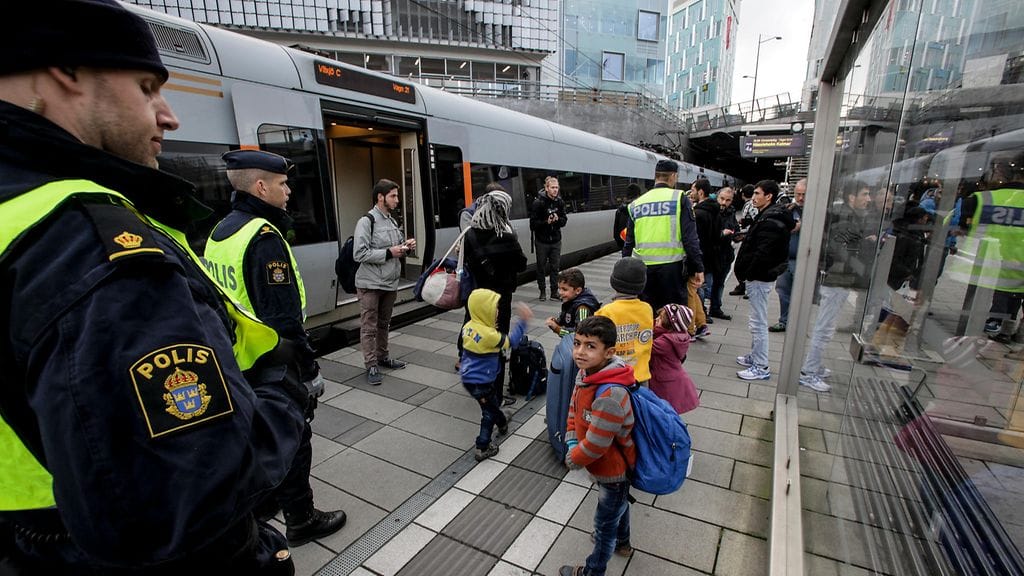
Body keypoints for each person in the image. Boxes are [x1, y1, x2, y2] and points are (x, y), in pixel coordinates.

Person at [0, 1, 310, 572]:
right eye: (147, 88)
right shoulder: (87, 242)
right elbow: (189, 497)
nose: (168, 116)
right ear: (64, 70)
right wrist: (284, 394)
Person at [203, 149, 346, 546]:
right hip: (274, 361)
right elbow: (283, 319)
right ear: (261, 186)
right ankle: (301, 518)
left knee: (259, 438)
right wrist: (310, 371)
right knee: (295, 438)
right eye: (283, 184)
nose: (288, 192)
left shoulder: (220, 231)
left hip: (237, 360)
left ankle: (262, 509)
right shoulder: (264, 239)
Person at [559, 316, 636, 576]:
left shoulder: (611, 395)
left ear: (609, 352)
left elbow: (597, 444)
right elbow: (574, 409)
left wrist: (574, 458)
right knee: (618, 506)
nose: (580, 352)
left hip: (613, 471)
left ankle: (593, 571)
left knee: (603, 528)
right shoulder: (587, 374)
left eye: (590, 346)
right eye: (577, 343)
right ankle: (623, 543)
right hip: (604, 468)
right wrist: (571, 439)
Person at [798, 181, 878, 392]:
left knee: (825, 325)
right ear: (852, 197)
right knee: (824, 327)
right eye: (865, 194)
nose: (868, 199)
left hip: (838, 278)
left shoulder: (847, 217)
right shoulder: (845, 220)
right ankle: (809, 371)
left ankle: (813, 366)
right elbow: (841, 251)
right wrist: (867, 243)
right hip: (837, 279)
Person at [951, 154, 1024, 343]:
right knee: (1013, 298)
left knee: (976, 304)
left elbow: (953, 226)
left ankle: (974, 328)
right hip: (1019, 270)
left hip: (985, 267)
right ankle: (1007, 331)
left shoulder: (983, 198)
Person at [463, 186, 528, 398]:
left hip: (476, 299)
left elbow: (467, 264)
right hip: (499, 301)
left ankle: (476, 379)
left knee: (477, 340)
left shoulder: (470, 234)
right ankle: (496, 393)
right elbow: (521, 264)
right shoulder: (506, 236)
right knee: (498, 344)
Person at [353, 179, 415, 385]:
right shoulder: (366, 221)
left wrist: (405, 246)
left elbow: (392, 248)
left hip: (389, 282)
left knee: (384, 324)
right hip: (370, 283)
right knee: (369, 326)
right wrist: (390, 252)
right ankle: (371, 365)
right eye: (393, 196)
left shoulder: (391, 220)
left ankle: (383, 357)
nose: (397, 200)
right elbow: (359, 253)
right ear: (381, 197)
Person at [622, 159, 704, 313]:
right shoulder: (679, 198)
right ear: (673, 176)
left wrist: (625, 271)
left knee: (647, 313)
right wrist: (698, 267)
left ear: (656, 177)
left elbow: (628, 242)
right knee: (672, 316)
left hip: (643, 269)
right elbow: (690, 239)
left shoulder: (636, 204)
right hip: (672, 269)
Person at [734, 180, 796, 381]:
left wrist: (748, 273)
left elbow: (763, 252)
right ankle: (755, 357)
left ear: (768, 196)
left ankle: (761, 366)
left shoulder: (770, 220)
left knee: (758, 322)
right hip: (761, 276)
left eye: (758, 193)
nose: (754, 197)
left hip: (760, 278)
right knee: (757, 320)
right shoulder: (770, 215)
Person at [460, 289, 532, 460]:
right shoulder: (490, 335)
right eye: (494, 308)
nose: (498, 311)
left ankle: (502, 421)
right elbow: (511, 342)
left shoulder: (468, 327)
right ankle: (483, 446)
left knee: (490, 405)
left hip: (468, 378)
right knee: (488, 412)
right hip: (482, 381)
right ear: (484, 311)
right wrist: (523, 321)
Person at [596, 257, 654, 384]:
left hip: (614, 375)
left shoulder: (606, 312)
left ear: (613, 282)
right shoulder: (647, 309)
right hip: (641, 375)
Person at [770, 178, 807, 333]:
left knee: (802, 295)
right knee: (783, 291)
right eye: (797, 194)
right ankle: (784, 320)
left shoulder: (817, 214)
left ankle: (800, 323)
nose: (800, 198)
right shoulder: (788, 210)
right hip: (786, 259)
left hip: (805, 260)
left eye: (804, 194)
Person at [650, 304, 700, 414]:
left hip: (663, 379)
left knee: (663, 408)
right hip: (673, 377)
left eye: (660, 318)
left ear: (670, 324)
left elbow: (646, 347)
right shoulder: (680, 335)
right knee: (669, 409)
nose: (656, 319)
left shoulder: (666, 342)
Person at [690, 178, 720, 337]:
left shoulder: (699, 213)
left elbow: (694, 239)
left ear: (701, 192)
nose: (691, 193)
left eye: (693, 190)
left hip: (699, 257)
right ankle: (701, 324)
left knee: (693, 292)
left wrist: (695, 262)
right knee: (697, 291)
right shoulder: (715, 209)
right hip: (711, 255)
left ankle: (693, 328)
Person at [530, 176, 568, 300]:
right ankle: (542, 291)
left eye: (557, 187)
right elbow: (533, 224)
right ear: (546, 188)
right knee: (541, 266)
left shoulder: (560, 202)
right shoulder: (538, 203)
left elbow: (564, 220)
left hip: (556, 240)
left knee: (555, 267)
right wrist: (547, 222)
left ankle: (554, 292)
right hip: (542, 241)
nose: (555, 190)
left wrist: (557, 220)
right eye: (552, 187)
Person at [709, 187, 738, 320]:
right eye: (722, 198)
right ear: (717, 197)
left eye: (728, 200)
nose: (724, 203)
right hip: (712, 253)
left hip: (725, 254)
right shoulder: (710, 211)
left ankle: (715, 308)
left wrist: (737, 235)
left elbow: (735, 228)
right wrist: (721, 234)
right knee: (707, 284)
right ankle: (701, 311)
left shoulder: (731, 212)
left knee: (720, 283)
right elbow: (707, 233)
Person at [545, 268, 601, 336]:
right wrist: (557, 321)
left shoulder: (582, 308)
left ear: (578, 291)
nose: (560, 292)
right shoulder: (571, 301)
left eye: (564, 289)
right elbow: (567, 318)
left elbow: (580, 334)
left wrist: (558, 329)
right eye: (559, 288)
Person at [729, 184, 758, 297]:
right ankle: (744, 287)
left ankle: (745, 287)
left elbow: (753, 221)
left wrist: (745, 224)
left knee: (742, 264)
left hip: (749, 237)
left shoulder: (749, 205)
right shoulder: (752, 204)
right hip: (749, 236)